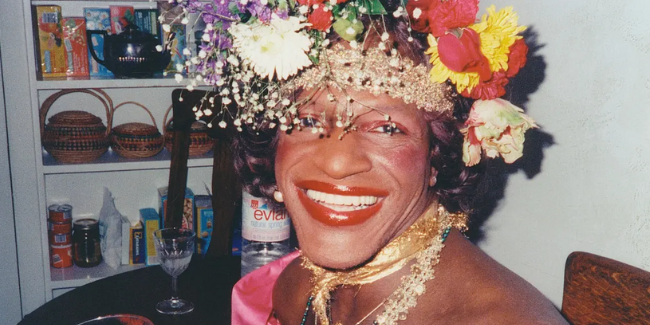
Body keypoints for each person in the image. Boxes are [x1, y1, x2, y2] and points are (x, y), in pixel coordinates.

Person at [165, 0, 569, 324]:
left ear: (437, 155)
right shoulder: (295, 289)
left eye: (386, 128)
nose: (338, 163)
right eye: (306, 120)